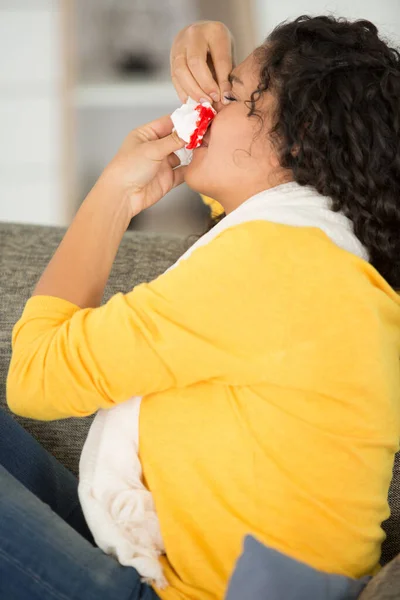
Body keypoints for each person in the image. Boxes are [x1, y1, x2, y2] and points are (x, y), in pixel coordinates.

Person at [2, 14, 400, 600]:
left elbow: (34, 375)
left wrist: (115, 190)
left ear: (298, 135)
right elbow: (235, 184)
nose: (204, 110)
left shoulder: (271, 265)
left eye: (230, 95)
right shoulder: (317, 258)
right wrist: (209, 44)